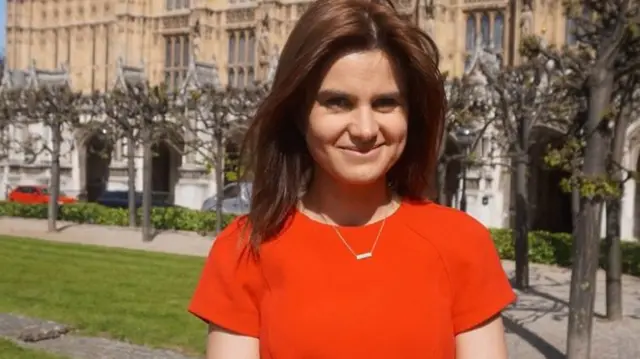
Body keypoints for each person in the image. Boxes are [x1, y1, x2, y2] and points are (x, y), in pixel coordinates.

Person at [188, 0, 516, 358]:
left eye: (385, 103)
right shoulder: (244, 249)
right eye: (338, 102)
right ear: (299, 114)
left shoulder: (463, 244)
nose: (364, 129)